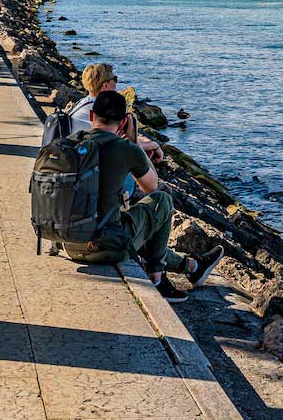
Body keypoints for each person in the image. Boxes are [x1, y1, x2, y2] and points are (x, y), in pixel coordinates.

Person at [63, 92, 224, 302]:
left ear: (92, 114)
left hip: (69, 244)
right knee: (162, 202)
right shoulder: (125, 148)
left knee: (131, 227)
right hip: (103, 249)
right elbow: (152, 188)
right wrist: (135, 145)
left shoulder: (70, 143)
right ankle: (157, 277)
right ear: (123, 120)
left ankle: (192, 266)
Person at [71, 63, 164, 168]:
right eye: (114, 79)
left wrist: (142, 140)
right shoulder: (100, 110)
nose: (116, 82)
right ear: (105, 86)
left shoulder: (85, 102)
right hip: (81, 161)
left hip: (74, 154)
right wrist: (154, 145)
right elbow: (118, 145)